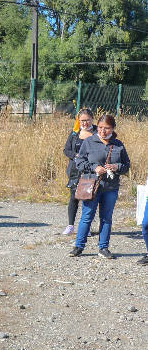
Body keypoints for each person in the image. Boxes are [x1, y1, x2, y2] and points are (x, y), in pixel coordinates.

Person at [69, 114, 130, 259]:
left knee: (106, 218)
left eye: (107, 128)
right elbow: (79, 162)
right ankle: (79, 246)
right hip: (91, 185)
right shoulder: (89, 142)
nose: (103, 131)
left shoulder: (118, 145)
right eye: (101, 127)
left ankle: (103, 248)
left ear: (113, 128)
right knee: (87, 216)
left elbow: (127, 166)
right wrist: (94, 167)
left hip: (111, 188)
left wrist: (117, 166)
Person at [62, 109, 96, 235]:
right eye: (82, 120)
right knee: (73, 198)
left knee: (88, 199)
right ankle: (70, 225)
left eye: (87, 120)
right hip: (75, 171)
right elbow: (66, 150)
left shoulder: (97, 132)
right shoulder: (74, 133)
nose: (84, 123)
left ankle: (85, 227)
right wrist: (76, 156)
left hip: (91, 170)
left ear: (92, 119)